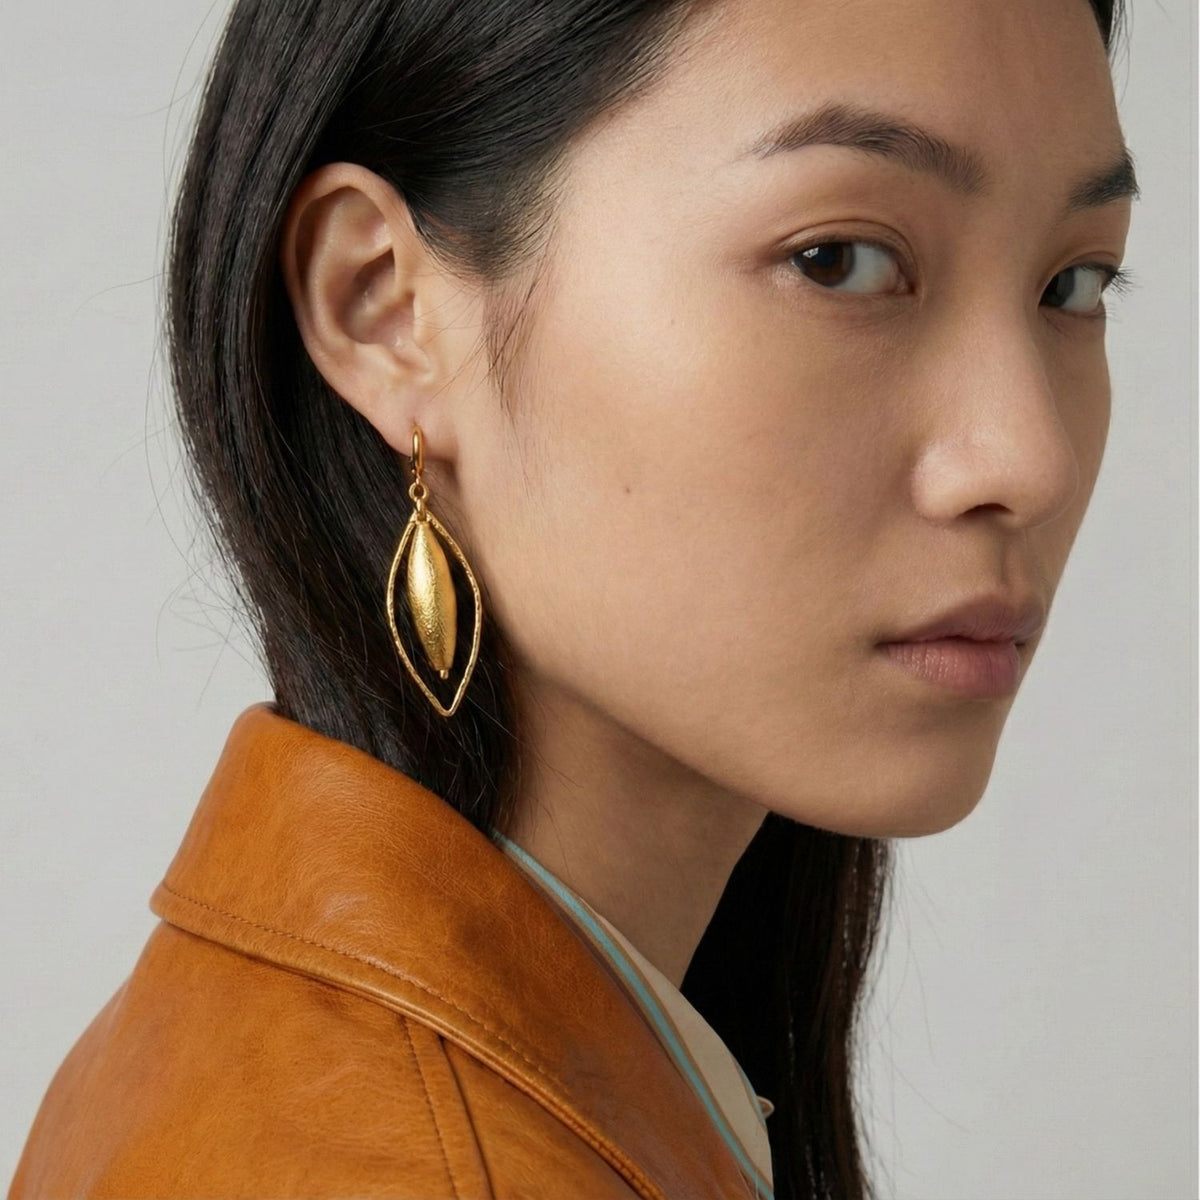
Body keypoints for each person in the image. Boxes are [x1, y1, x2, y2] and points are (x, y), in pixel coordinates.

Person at [7, 0, 1137, 1196]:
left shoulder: (261, 1034)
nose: (1030, 456)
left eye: (1075, 281)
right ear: (380, 305)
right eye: (838, 259)